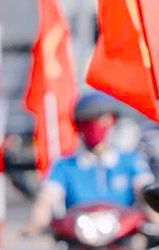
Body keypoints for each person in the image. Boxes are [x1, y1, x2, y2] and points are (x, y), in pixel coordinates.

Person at [24, 92, 151, 233]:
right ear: (78, 126)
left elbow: (146, 192)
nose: (96, 127)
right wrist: (36, 224)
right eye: (88, 122)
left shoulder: (130, 161)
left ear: (113, 122)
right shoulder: (64, 165)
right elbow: (47, 198)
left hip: (122, 237)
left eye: (102, 120)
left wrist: (158, 218)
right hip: (79, 238)